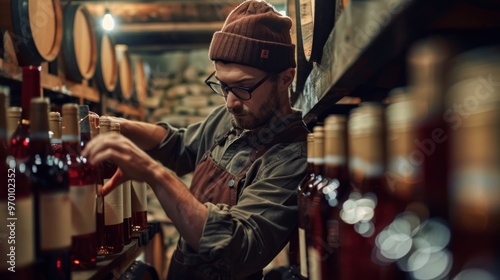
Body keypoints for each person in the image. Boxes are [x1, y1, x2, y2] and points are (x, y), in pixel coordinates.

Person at [82, 1, 309, 279]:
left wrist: (154, 174)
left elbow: (240, 246)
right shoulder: (232, 116)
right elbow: (179, 146)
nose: (230, 102)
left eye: (243, 88)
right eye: (223, 86)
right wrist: (123, 126)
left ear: (285, 79)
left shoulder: (292, 157)